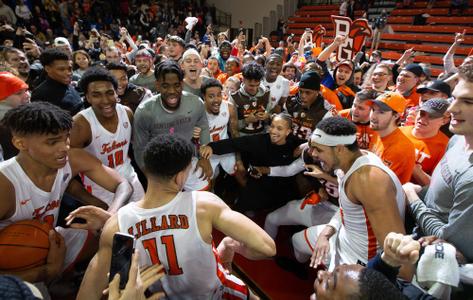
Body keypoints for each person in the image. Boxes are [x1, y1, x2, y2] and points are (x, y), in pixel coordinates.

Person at [77, 134, 276, 299]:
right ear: (180, 176)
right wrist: (230, 245)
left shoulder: (117, 224)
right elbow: (267, 248)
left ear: (147, 170)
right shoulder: (203, 204)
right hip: (214, 293)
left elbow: (88, 294)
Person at [0, 102, 132, 283]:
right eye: (52, 142)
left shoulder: (72, 159)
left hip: (50, 242)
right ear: (20, 143)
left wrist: (110, 216)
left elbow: (123, 184)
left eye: (66, 138)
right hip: (13, 262)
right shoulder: (5, 184)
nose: (64, 147)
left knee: (113, 237)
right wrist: (47, 271)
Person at [291, 117, 406, 270]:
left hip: (360, 258)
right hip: (345, 235)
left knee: (326, 291)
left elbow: (398, 248)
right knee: (297, 241)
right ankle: (302, 271)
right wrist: (327, 231)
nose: (312, 153)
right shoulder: (348, 162)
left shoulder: (369, 181)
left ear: (339, 148)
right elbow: (349, 207)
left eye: (318, 149)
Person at [403, 63, 473, 263]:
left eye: (467, 101)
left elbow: (449, 243)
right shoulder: (459, 138)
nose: (452, 108)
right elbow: (443, 193)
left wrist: (412, 198)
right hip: (419, 236)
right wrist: (423, 191)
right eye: (455, 97)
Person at [70, 67, 144, 205]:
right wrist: (92, 201)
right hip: (99, 189)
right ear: (88, 97)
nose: (105, 100)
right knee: (113, 226)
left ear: (116, 93)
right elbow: (66, 174)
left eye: (109, 93)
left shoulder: (127, 113)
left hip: (130, 177)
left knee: (143, 221)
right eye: (96, 95)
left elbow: (137, 148)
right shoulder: (80, 125)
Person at [133, 60, 212, 190]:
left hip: (187, 159)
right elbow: (140, 149)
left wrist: (204, 158)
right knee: (169, 208)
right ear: (157, 85)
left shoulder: (195, 103)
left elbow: (203, 127)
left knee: (205, 193)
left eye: (176, 85)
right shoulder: (144, 111)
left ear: (182, 84)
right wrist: (152, 178)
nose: (172, 91)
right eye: (165, 86)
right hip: (159, 165)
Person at [200, 113, 304, 213]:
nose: (273, 131)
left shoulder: (295, 144)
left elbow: (310, 145)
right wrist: (212, 147)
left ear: (288, 132)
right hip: (259, 181)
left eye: (279, 128)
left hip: (282, 184)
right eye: (272, 126)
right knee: (241, 207)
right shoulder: (260, 140)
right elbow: (235, 143)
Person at [400, 98, 450, 185]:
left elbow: (437, 187)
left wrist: (415, 169)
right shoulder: (399, 132)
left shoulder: (445, 147)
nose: (423, 119)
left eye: (431, 116)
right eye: (422, 113)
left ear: (444, 121)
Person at [369, 91, 416, 183]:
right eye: (373, 110)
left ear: (396, 116)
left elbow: (377, 183)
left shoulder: (400, 148)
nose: (373, 116)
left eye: (381, 112)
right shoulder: (378, 131)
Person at [30, 48, 83, 115]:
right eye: (61, 69)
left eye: (70, 68)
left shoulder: (66, 84)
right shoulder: (40, 95)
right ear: (47, 69)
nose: (68, 73)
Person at [229, 61, 270, 136]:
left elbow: (271, 119)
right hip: (243, 139)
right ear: (243, 80)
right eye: (251, 85)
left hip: (261, 137)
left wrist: (267, 116)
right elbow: (232, 128)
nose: (254, 88)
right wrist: (246, 121)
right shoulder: (234, 97)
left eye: (257, 85)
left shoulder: (267, 93)